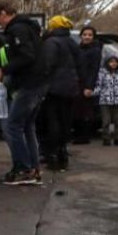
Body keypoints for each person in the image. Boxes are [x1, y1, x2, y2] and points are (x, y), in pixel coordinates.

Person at [0, 1, 47, 186]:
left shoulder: (18, 30)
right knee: (27, 127)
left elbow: (26, 56)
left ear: (4, 13)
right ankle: (33, 167)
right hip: (38, 83)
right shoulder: (28, 27)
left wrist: (3, 70)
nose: (0, 25)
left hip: (29, 84)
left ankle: (23, 168)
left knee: (13, 126)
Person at [38, 15, 81, 172]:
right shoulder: (71, 42)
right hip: (70, 88)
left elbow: (47, 65)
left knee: (52, 121)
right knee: (64, 121)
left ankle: (53, 155)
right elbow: (79, 63)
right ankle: (62, 153)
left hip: (53, 88)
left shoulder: (51, 42)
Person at [72, 26, 104, 144]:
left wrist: (89, 87)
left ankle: (84, 137)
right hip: (77, 82)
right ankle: (78, 134)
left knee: (86, 112)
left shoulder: (95, 50)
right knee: (77, 110)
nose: (87, 37)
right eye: (85, 34)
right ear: (81, 36)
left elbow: (94, 70)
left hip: (86, 84)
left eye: (90, 35)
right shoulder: (79, 48)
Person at [90, 56, 118, 146]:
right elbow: (99, 85)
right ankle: (106, 139)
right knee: (106, 121)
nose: (113, 64)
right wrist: (92, 93)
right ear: (107, 63)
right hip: (105, 100)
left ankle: (117, 138)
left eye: (115, 62)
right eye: (111, 62)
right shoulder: (102, 72)